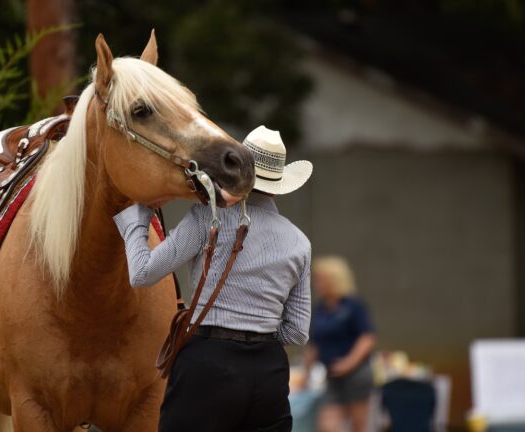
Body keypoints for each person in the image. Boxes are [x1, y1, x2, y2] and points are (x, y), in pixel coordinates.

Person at [114, 126, 313, 432]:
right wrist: (256, 334)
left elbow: (142, 273)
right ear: (277, 185)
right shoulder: (299, 242)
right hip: (268, 370)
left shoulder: (207, 217)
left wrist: (133, 221)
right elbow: (297, 332)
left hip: (208, 362)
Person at [302, 256, 376, 432]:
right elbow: (314, 344)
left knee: (358, 424)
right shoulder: (320, 309)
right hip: (332, 377)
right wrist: (306, 373)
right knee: (327, 425)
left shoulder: (353, 305)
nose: (316, 284)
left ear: (334, 280)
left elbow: (367, 338)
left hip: (356, 375)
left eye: (321, 279)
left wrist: (349, 363)